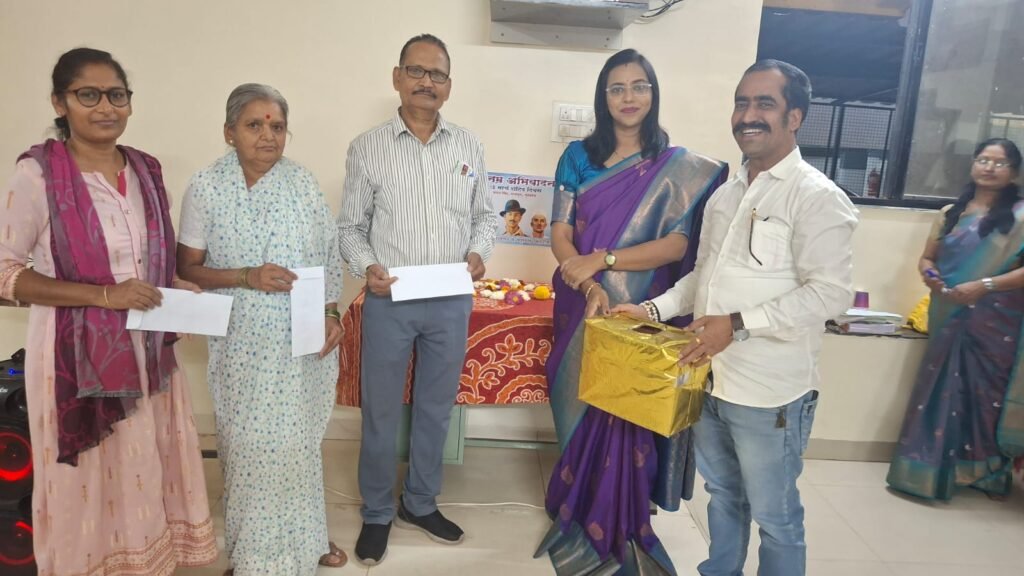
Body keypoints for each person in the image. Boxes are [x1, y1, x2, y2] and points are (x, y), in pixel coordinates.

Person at [615, 60, 858, 576]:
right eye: (741, 102)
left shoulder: (816, 196)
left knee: (775, 516)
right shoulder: (725, 194)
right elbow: (701, 278)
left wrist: (739, 323)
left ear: (795, 117)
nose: (748, 115)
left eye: (764, 104)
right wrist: (652, 310)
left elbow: (831, 294)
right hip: (711, 378)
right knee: (723, 494)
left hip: (770, 392)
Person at [0, 47, 217, 575]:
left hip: (148, 354)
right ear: (60, 103)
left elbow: (148, 261)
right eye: (88, 95)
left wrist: (177, 289)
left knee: (146, 469)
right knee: (90, 482)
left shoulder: (145, 170)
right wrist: (103, 296)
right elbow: (5, 273)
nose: (105, 107)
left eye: (116, 95)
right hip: (75, 362)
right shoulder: (38, 175)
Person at [535, 48, 728, 575]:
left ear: (653, 93)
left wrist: (605, 261)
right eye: (616, 87)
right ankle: (579, 504)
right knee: (576, 399)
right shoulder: (578, 156)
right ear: (603, 96)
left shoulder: (675, 165)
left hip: (639, 308)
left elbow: (677, 245)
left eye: (639, 85)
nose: (628, 97)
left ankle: (621, 513)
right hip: (581, 301)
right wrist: (587, 280)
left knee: (628, 411)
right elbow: (560, 233)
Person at [337, 33, 496, 566]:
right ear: (397, 77)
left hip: (450, 299)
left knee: (435, 408)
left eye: (438, 74)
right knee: (381, 411)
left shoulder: (468, 146)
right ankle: (378, 511)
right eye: (417, 71)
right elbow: (350, 228)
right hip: (390, 299)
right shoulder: (368, 147)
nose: (427, 82)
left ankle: (420, 503)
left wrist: (478, 251)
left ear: (449, 86)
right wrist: (368, 267)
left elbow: (487, 217)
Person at [176, 83, 346, 573]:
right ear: (229, 132)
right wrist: (246, 276)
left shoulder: (303, 183)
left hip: (303, 339)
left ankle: (306, 540)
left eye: (277, 126)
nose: (268, 135)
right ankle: (253, 554)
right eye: (254, 125)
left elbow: (328, 256)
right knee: (249, 446)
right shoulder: (207, 186)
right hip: (242, 342)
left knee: (297, 445)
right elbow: (187, 268)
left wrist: (332, 313)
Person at [888, 138, 1024, 500]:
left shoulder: (1021, 216)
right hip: (949, 309)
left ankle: (984, 473)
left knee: (986, 393)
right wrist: (930, 275)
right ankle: (929, 469)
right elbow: (927, 258)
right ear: (973, 164)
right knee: (941, 389)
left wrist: (985, 285)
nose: (989, 167)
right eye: (983, 159)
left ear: (1014, 172)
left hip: (996, 319)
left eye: (999, 163)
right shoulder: (951, 212)